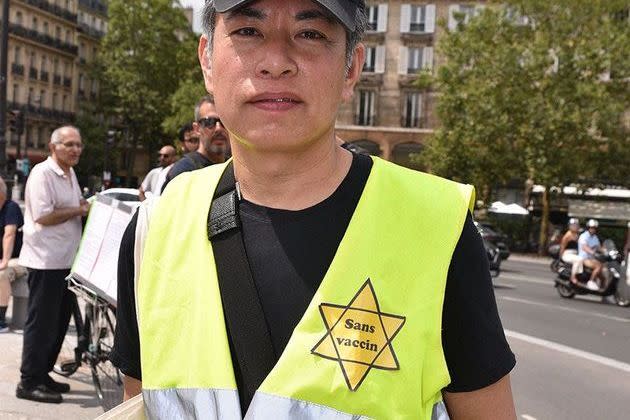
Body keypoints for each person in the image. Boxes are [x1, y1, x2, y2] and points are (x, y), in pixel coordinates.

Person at [110, 1, 516, 418]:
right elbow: (139, 402)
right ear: (207, 61)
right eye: (249, 31)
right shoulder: (154, 228)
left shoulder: (438, 229)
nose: (276, 61)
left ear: (351, 69)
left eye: (310, 34)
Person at [16, 126, 89, 404]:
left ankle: (43, 373)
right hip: (45, 261)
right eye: (69, 144)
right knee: (41, 323)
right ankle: (28, 381)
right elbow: (44, 216)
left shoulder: (69, 173)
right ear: (53, 147)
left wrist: (81, 205)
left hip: (67, 262)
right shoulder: (42, 173)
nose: (75, 150)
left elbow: (69, 208)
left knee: (58, 323)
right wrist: (79, 210)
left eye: (78, 145)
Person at [160, 95, 229, 192]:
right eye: (209, 122)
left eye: (224, 121)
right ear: (197, 128)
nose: (218, 128)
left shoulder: (234, 169)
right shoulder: (184, 171)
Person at [0, 178, 27, 333]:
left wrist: (4, 261)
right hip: (4, 259)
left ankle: (1, 320)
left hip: (17, 259)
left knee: (2, 274)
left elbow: (9, 235)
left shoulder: (11, 207)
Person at [578, 219, 603, 291]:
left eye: (594, 228)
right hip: (584, 258)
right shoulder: (584, 236)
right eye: (591, 228)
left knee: (603, 267)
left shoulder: (595, 237)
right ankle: (591, 281)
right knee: (598, 266)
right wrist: (592, 252)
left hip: (591, 258)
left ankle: (600, 285)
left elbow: (599, 247)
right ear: (588, 228)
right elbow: (584, 247)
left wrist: (606, 251)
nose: (593, 229)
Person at [559, 218, 582, 285]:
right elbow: (562, 247)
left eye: (576, 225)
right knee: (579, 259)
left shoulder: (577, 235)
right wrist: (560, 259)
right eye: (573, 225)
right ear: (569, 226)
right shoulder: (567, 236)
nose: (575, 227)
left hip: (575, 254)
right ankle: (573, 277)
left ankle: (580, 276)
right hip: (567, 254)